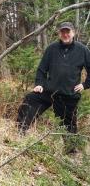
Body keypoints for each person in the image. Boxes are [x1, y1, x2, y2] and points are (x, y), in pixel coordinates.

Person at [17, 22, 90, 152]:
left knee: (69, 125)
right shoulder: (52, 49)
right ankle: (20, 131)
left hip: (69, 94)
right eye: (63, 32)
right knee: (31, 99)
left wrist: (85, 85)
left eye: (68, 32)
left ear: (73, 33)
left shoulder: (82, 50)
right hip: (49, 90)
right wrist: (39, 84)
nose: (65, 34)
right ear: (59, 33)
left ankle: (70, 151)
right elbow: (41, 69)